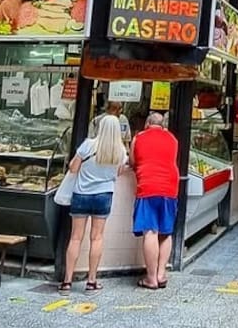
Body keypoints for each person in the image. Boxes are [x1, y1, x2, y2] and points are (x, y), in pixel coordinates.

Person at [61, 115, 129, 294]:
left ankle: (67, 282)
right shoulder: (120, 151)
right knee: (97, 238)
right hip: (104, 195)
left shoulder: (88, 145)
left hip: (81, 194)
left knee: (75, 237)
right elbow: (120, 173)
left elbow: (73, 168)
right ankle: (91, 282)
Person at [127, 113, 179, 289]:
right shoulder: (172, 138)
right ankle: (161, 274)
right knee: (166, 231)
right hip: (170, 187)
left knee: (150, 231)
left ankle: (150, 278)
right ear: (162, 125)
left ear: (147, 123)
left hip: (148, 186)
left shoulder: (138, 138)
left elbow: (133, 162)